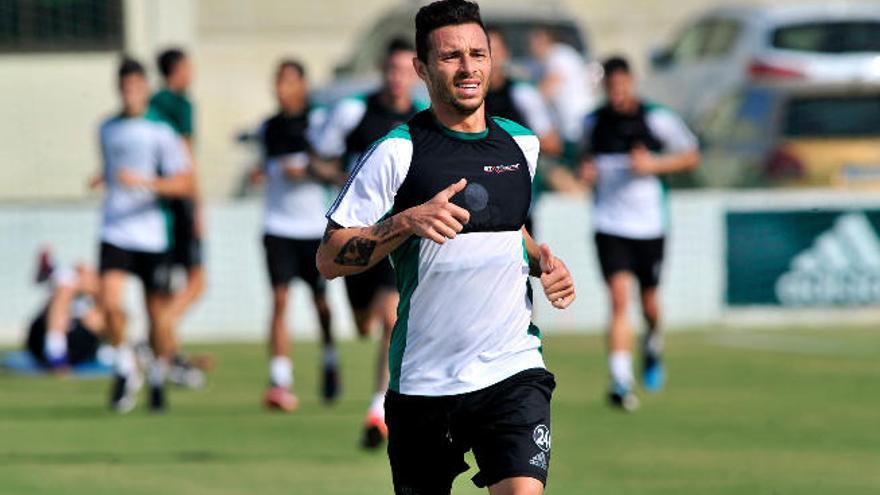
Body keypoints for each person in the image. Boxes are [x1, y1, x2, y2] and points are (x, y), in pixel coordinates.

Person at [317, 1, 575, 493]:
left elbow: (509, 231)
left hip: (511, 368)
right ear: (422, 68)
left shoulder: (523, 145)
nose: (467, 67)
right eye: (451, 56)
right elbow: (330, 255)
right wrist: (406, 222)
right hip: (425, 384)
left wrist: (542, 261)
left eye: (478, 53)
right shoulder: (396, 151)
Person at [311, 37, 423, 448]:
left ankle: (378, 409)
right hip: (355, 236)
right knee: (362, 323)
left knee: (390, 319)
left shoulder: (422, 121)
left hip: (395, 237)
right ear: (382, 70)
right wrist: (349, 181)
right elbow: (318, 158)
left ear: (415, 72)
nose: (397, 79)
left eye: (403, 71)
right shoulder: (353, 112)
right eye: (390, 70)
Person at [577, 56, 700, 411]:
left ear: (631, 83)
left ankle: (652, 342)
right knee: (618, 299)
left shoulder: (656, 117)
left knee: (649, 304)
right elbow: (581, 160)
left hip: (649, 226)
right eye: (610, 88)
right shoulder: (593, 122)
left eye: (622, 86)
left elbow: (691, 156)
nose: (617, 94)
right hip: (609, 224)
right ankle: (619, 380)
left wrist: (654, 165)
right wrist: (584, 172)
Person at [97, 57, 194, 413]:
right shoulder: (106, 128)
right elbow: (111, 171)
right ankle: (125, 366)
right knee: (108, 303)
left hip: (153, 233)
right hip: (115, 228)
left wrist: (146, 183)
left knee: (155, 314)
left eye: (136, 87)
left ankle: (155, 372)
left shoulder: (161, 131)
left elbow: (183, 181)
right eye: (124, 87)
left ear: (145, 89)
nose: (130, 93)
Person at [254, 60, 337, 412]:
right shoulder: (268, 127)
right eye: (277, 81)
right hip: (277, 226)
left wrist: (307, 170)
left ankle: (329, 355)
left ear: (302, 85)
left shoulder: (320, 124)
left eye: (288, 81)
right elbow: (262, 166)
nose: (280, 88)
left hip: (312, 227)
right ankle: (280, 380)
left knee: (320, 303)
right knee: (280, 298)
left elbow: (336, 169)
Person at [150, 48, 208, 387]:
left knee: (162, 286)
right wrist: (198, 204)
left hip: (156, 202)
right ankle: (161, 330)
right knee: (197, 281)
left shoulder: (153, 104)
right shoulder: (180, 104)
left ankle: (169, 353)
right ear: (177, 70)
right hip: (179, 199)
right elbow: (186, 157)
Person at [485, 29, 561, 234]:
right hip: (476, 207)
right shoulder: (459, 99)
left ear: (505, 54)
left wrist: (505, 143)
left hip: (517, 207)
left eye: (495, 51)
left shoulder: (523, 94)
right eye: (482, 52)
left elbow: (553, 144)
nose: (490, 58)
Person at [528, 28, 596, 167]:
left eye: (533, 44)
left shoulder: (556, 55)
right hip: (574, 124)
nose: (531, 50)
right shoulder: (561, 55)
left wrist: (527, 99)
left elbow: (550, 85)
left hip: (575, 124)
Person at [26, 250, 105, 370]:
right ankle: (56, 353)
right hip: (43, 339)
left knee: (99, 314)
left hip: (79, 345)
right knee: (64, 287)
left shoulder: (95, 301)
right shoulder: (64, 289)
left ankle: (116, 349)